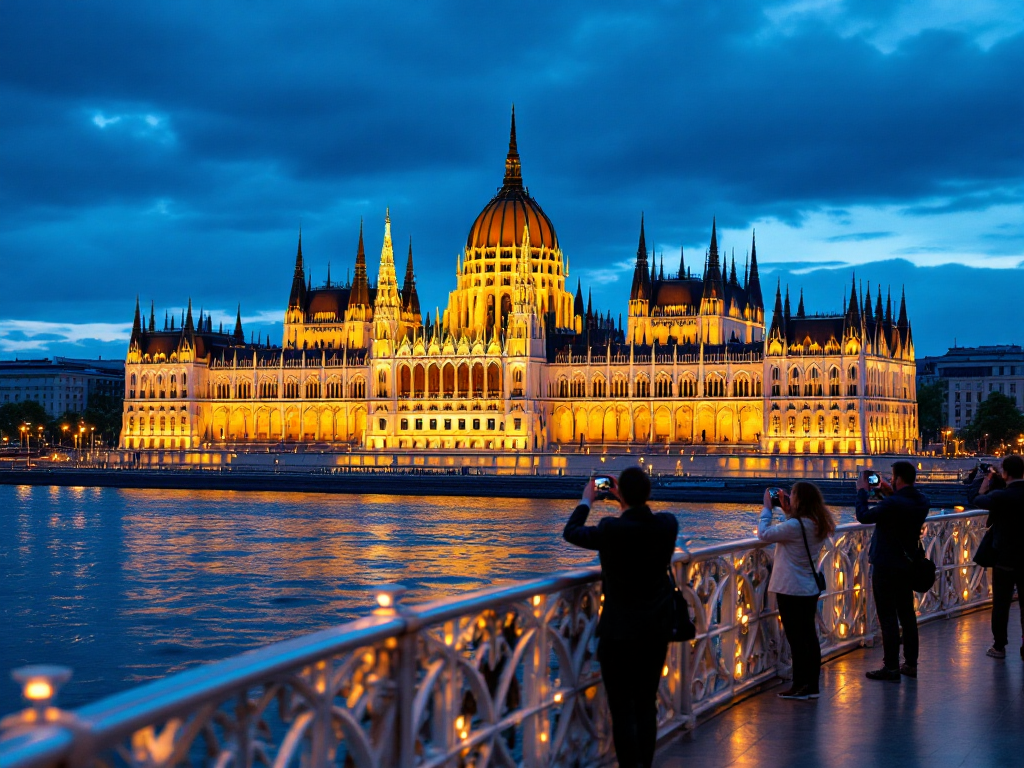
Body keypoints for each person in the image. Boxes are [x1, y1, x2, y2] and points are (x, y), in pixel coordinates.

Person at [563, 467, 678, 768]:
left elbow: (571, 531)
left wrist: (587, 500)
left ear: (620, 494)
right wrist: (625, 500)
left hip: (619, 632)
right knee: (646, 705)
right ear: (648, 493)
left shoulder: (610, 529)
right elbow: (646, 520)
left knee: (623, 710)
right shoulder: (667, 525)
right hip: (656, 630)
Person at [757, 481, 836, 700]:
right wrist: (788, 512)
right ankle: (811, 685)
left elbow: (764, 534)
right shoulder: (817, 522)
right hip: (808, 587)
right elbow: (795, 533)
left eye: (792, 494)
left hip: (790, 588)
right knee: (809, 637)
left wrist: (767, 509)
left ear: (800, 500)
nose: (789, 497)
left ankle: (800, 685)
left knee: (797, 639)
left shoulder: (795, 525)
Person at [855, 461, 930, 681]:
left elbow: (863, 516)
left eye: (893, 476)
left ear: (898, 478)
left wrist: (862, 491)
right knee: (907, 614)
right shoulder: (922, 500)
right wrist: (889, 492)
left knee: (887, 616)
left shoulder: (893, 503)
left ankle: (891, 667)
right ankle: (911, 663)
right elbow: (899, 510)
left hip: (886, 564)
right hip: (908, 564)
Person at [967, 454, 1024, 660]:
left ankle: (999, 646)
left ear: (1005, 473)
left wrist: (986, 480)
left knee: (1001, 604)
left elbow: (976, 499)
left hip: (1005, 558)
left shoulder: (1001, 496)